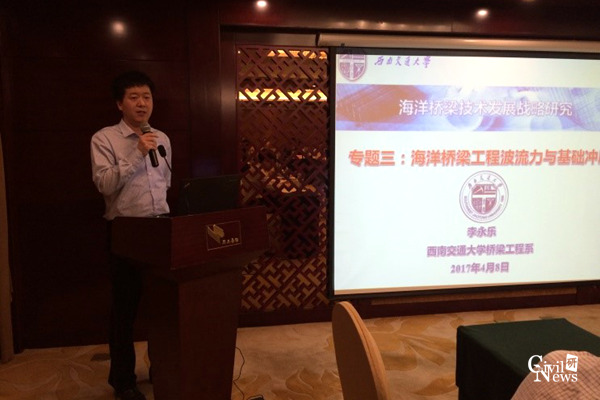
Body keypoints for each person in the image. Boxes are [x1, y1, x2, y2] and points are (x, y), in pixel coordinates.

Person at [90, 70, 171, 400]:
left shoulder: (162, 138)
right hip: (126, 231)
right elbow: (105, 185)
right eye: (134, 97)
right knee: (124, 310)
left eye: (147, 97)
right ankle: (123, 381)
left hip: (161, 228)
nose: (142, 103)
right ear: (119, 103)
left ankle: (162, 367)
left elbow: (164, 183)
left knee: (162, 307)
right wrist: (136, 152)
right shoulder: (104, 139)